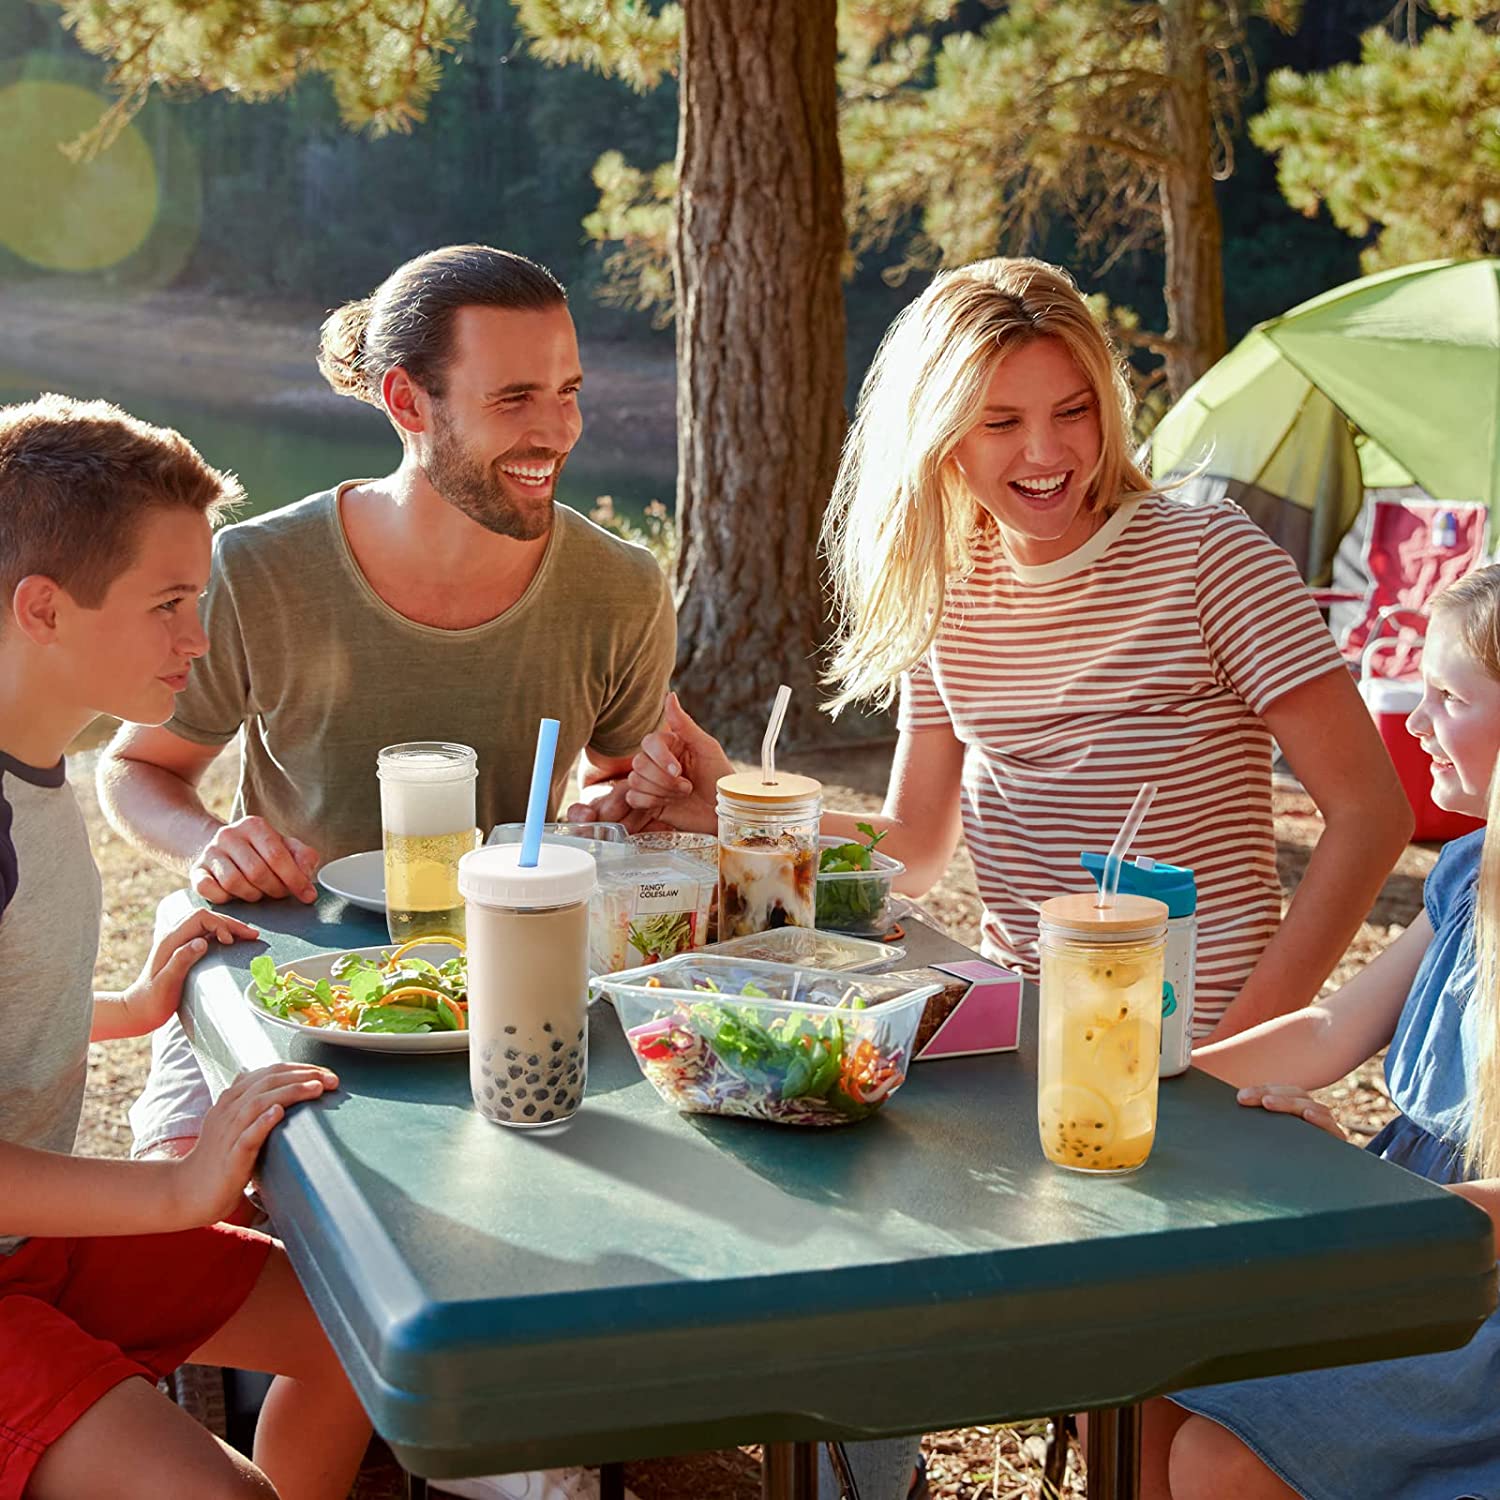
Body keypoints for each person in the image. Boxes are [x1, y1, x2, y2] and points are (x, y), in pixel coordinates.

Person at [624, 257, 1409, 1043]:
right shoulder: (948, 583)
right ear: (939, 439)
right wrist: (739, 812)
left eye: (1073, 411)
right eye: (1000, 423)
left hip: (1194, 1043)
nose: (1046, 452)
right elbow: (919, 849)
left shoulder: (1211, 559)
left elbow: (1371, 815)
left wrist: (1244, 1054)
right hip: (1020, 1042)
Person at [99, 244, 676, 1162]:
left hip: (506, 984)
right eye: (514, 399)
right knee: (183, 1200)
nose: (560, 430)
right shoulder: (255, 569)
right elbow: (138, 768)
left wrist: (634, 804)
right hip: (279, 977)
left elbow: (628, 786)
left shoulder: (621, 587)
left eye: (568, 391)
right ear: (407, 402)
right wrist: (209, 842)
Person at [0, 393, 369, 1500]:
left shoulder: (39, 761)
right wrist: (177, 1191)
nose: (198, 640)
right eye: (168, 604)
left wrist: (128, 1003)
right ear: (43, 608)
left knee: (376, 1342)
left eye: (198, 600)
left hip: (34, 1243)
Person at [1132, 563, 1500, 1500]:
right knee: (1145, 1366)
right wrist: (1146, 1085)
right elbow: (1333, 1026)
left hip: (1473, 1282)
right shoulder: (1468, 872)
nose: (1415, 726)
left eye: (1448, 697)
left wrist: (1364, 1208)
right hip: (1408, 1232)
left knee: (1220, 1455)